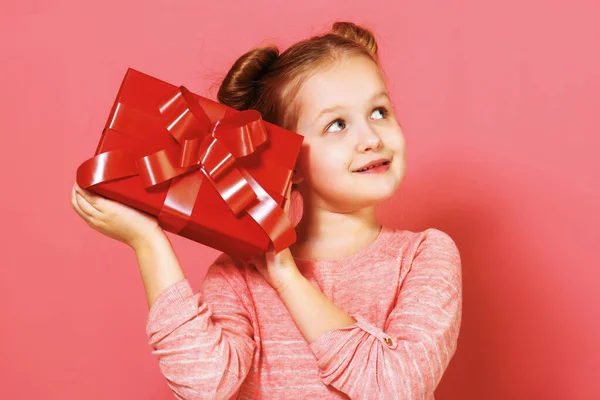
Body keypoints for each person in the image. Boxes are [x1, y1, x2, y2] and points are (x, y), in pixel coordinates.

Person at [71, 21, 462, 400]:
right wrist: (148, 242)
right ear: (288, 164)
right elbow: (206, 387)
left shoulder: (424, 256)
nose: (371, 138)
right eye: (338, 124)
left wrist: (287, 278)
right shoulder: (238, 275)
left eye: (379, 112)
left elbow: (395, 388)